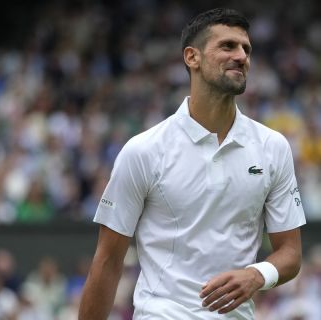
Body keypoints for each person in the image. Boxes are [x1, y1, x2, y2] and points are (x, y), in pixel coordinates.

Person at [79, 7, 306, 319]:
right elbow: (107, 261)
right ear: (192, 58)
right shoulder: (144, 151)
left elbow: (291, 253)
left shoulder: (273, 147)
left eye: (246, 49)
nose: (241, 56)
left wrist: (257, 274)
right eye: (228, 46)